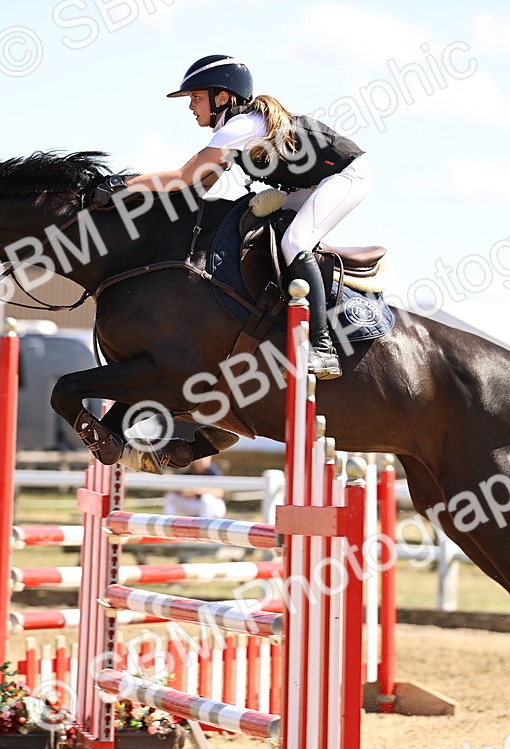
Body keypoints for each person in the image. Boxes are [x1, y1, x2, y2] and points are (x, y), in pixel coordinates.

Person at [111, 55, 372, 380]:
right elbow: (199, 187)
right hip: (310, 183)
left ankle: (322, 347)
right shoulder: (234, 130)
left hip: (346, 177)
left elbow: (184, 175)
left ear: (222, 97)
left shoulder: (242, 126)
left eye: (195, 97)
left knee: (294, 242)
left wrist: (122, 184)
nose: (191, 107)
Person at [163, 456, 227, 519]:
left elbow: (220, 492)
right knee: (171, 496)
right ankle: (169, 523)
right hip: (195, 504)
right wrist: (185, 491)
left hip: (214, 506)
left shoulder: (213, 471)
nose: (201, 461)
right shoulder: (190, 470)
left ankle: (204, 527)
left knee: (206, 499)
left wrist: (197, 491)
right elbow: (173, 487)